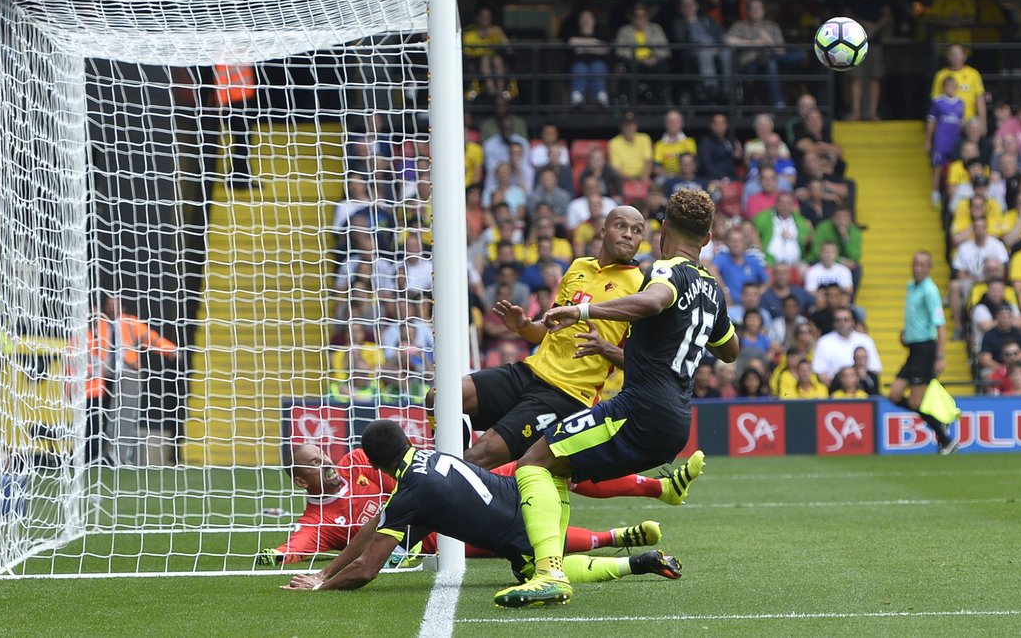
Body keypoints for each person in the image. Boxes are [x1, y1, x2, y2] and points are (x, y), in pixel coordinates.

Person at [493, 189, 738, 608]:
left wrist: (583, 312)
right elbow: (730, 350)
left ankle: (549, 572)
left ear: (662, 232)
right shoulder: (712, 289)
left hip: (638, 410)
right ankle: (545, 565)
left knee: (533, 460)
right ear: (710, 237)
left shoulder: (667, 270)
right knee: (561, 469)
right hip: (675, 423)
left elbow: (654, 299)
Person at [282, 421, 682, 592]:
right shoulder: (427, 459)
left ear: (371, 463)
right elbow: (375, 530)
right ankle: (655, 490)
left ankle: (636, 560)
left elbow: (367, 570)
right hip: (536, 497)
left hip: (521, 531)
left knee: (537, 570)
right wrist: (326, 570)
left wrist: (324, 586)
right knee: (558, 490)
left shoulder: (411, 493)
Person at [438, 207, 647, 470]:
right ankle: (450, 481)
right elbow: (550, 328)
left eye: (637, 230)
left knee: (478, 456)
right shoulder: (578, 267)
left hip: (567, 395)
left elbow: (644, 364)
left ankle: (449, 484)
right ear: (603, 231)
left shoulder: (642, 288)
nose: (629, 234)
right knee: (440, 397)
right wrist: (523, 327)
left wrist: (603, 347)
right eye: (621, 226)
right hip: (529, 372)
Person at [260, 443, 667, 567]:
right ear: (300, 480)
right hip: (441, 534)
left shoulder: (355, 462)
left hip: (451, 493)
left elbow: (403, 477)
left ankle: (656, 487)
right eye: (314, 464)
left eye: (322, 456)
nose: (327, 463)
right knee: (524, 536)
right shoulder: (318, 521)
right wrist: (275, 555)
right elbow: (294, 547)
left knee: (544, 465)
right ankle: (614, 537)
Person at [86, 294, 179, 466]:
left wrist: (170, 350)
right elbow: (90, 336)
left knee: (124, 417)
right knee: (99, 418)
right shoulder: (100, 323)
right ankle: (99, 454)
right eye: (110, 304)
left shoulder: (130, 322)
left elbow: (151, 338)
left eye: (116, 304)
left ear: (122, 306)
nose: (113, 308)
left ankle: (118, 455)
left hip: (127, 372)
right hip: (103, 377)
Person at [888, 251, 958, 454]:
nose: (917, 267)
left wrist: (940, 355)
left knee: (914, 401)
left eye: (921, 264)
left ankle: (945, 439)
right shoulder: (911, 286)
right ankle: (938, 424)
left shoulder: (930, 290)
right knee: (894, 395)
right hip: (913, 348)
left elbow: (941, 326)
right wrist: (907, 334)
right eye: (915, 263)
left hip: (925, 349)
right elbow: (915, 317)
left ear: (929, 268)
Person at [724, 0, 800, 108]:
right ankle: (778, 103)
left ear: (764, 10)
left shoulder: (772, 26)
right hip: (750, 63)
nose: (755, 11)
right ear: (748, 11)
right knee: (772, 63)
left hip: (772, 58)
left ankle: (779, 103)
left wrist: (767, 41)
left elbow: (781, 51)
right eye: (752, 8)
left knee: (785, 58)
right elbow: (727, 40)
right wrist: (754, 42)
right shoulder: (740, 25)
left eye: (758, 8)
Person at [841, 0, 892, 121]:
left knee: (875, 77)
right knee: (855, 77)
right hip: (854, 41)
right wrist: (863, 25)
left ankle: (872, 113)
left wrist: (874, 28)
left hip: (875, 40)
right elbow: (846, 14)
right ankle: (855, 112)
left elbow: (887, 15)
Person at [670, 0, 731, 102]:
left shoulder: (708, 20)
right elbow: (680, 39)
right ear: (680, 8)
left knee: (726, 52)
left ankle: (727, 86)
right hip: (695, 51)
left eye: (691, 4)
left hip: (715, 47)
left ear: (696, 6)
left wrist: (717, 46)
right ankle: (711, 86)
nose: (689, 7)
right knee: (705, 51)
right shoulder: (678, 23)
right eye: (686, 5)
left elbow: (721, 35)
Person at [614, 3, 671, 105]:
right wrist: (639, 59)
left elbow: (665, 49)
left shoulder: (656, 29)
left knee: (662, 67)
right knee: (629, 67)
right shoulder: (624, 31)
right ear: (631, 17)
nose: (640, 18)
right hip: (634, 62)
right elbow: (620, 50)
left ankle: (661, 99)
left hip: (653, 62)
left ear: (647, 16)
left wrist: (655, 58)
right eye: (636, 16)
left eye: (643, 15)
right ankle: (629, 101)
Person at [811, 308, 882, 387]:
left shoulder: (866, 340)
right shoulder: (823, 342)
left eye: (846, 320)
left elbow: (875, 369)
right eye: (838, 320)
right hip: (835, 390)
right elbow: (820, 373)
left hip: (862, 388)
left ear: (853, 322)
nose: (842, 323)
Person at [925, 76, 966, 206]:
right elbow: (931, 122)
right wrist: (928, 141)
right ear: (943, 87)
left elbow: (961, 123)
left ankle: (952, 195)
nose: (951, 88)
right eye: (948, 86)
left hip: (954, 142)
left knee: (954, 168)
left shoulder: (961, 103)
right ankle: (935, 193)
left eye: (953, 86)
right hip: (941, 141)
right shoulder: (938, 102)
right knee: (938, 167)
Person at [930, 44, 986, 124]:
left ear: (964, 56)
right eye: (953, 54)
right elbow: (935, 100)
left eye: (958, 54)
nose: (956, 57)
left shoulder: (973, 74)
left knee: (974, 126)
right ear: (948, 56)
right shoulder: (940, 75)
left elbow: (980, 99)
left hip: (968, 120)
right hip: (946, 119)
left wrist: (983, 123)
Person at [565, 10, 611, 108]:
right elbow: (572, 42)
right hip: (578, 65)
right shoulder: (573, 32)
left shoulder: (601, 33)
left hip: (598, 65)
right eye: (583, 18)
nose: (586, 21)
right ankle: (577, 97)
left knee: (598, 66)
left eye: (589, 18)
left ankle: (600, 96)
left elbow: (605, 49)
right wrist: (595, 44)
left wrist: (583, 47)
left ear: (594, 21)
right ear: (579, 21)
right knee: (579, 67)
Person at [462, 6, 509, 100]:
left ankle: (500, 91)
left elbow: (509, 49)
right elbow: (467, 51)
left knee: (497, 59)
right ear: (478, 18)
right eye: (484, 17)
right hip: (474, 60)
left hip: (492, 59)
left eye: (489, 17)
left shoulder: (495, 31)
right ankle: (491, 90)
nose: (487, 19)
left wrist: (501, 34)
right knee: (485, 58)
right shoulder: (470, 31)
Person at [608, 112, 654, 184]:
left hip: (643, 177)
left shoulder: (645, 138)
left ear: (636, 126)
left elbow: (648, 161)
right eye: (626, 124)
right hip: (623, 180)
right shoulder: (614, 142)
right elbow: (616, 169)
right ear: (621, 126)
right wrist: (631, 180)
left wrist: (644, 176)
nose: (629, 127)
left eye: (632, 124)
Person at [698, 113, 743, 183]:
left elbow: (735, 164)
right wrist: (722, 177)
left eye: (722, 123)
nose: (719, 126)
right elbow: (707, 165)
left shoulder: (731, 141)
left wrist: (739, 157)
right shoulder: (706, 143)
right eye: (716, 123)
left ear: (726, 126)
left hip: (731, 178)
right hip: (712, 179)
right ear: (711, 126)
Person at [653, 109, 697, 179]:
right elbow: (656, 168)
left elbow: (693, 165)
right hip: (667, 177)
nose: (673, 123)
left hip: (686, 176)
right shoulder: (659, 145)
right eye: (670, 121)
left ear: (682, 123)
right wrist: (671, 175)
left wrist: (681, 175)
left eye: (676, 121)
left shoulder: (690, 142)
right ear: (665, 124)